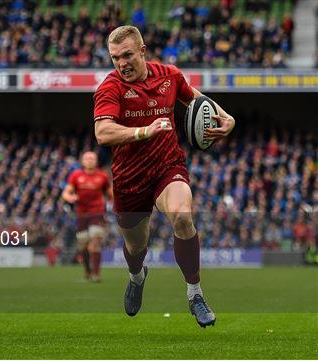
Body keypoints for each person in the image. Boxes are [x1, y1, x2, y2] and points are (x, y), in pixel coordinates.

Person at [93, 26, 235, 327]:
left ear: (142, 51)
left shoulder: (169, 75)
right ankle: (137, 275)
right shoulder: (110, 87)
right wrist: (145, 130)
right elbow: (103, 133)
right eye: (115, 58)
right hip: (129, 179)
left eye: (128, 55)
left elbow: (197, 99)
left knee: (183, 217)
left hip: (167, 167)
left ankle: (195, 293)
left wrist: (228, 118)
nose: (122, 63)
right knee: (136, 248)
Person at [62, 151, 112, 282]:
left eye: (92, 158)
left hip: (97, 213)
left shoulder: (102, 176)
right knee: (83, 246)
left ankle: (96, 274)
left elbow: (110, 193)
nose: (90, 160)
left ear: (96, 161)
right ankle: (87, 271)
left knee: (95, 243)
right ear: (82, 161)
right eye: (87, 158)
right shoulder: (76, 175)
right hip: (82, 215)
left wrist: (117, 204)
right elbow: (66, 192)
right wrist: (70, 197)